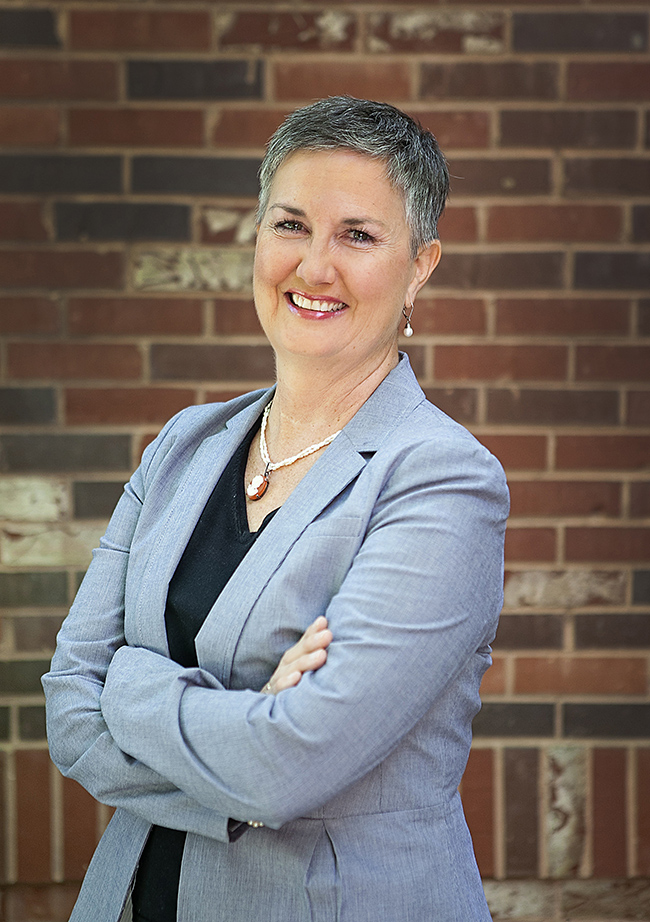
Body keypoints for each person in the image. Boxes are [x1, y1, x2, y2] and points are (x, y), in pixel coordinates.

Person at [43, 96, 509, 922]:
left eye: (357, 236)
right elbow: (70, 712)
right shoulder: (186, 446)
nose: (314, 266)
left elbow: (287, 767)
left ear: (421, 265)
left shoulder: (441, 479)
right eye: (290, 224)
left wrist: (133, 684)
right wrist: (245, 733)